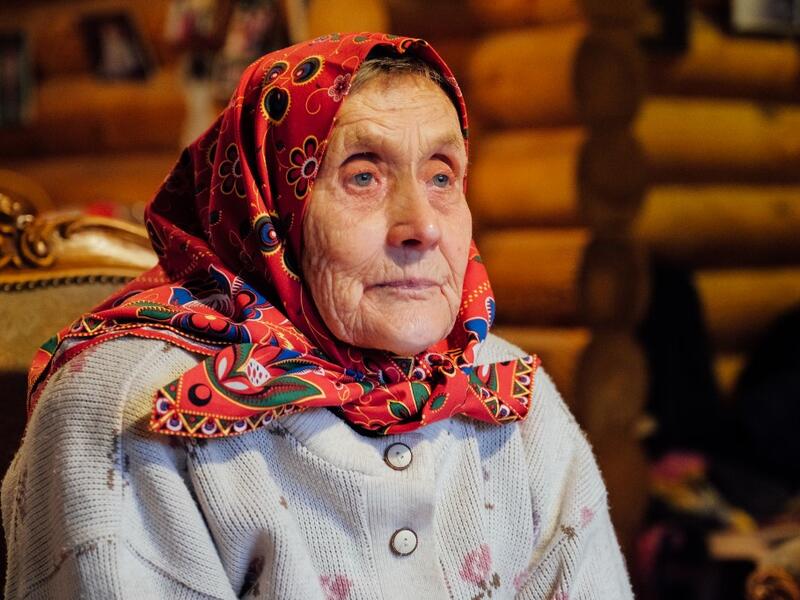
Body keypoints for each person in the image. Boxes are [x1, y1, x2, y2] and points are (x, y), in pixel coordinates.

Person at [1, 33, 633, 599]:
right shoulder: (133, 410)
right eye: (363, 176)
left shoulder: (507, 393)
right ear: (267, 208)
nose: (423, 226)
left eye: (442, 177)